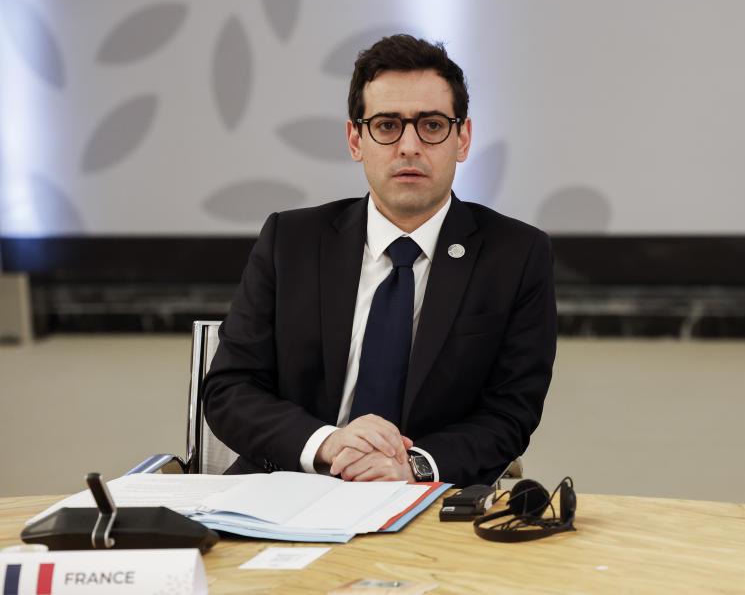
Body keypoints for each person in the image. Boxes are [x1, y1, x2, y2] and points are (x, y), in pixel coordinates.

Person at [202, 34, 557, 487]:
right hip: (288, 486)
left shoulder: (517, 255)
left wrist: (414, 466)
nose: (409, 146)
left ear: (462, 139)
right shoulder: (289, 241)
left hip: (426, 497)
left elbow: (510, 412)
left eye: (431, 125)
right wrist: (328, 444)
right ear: (356, 139)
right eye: (387, 125)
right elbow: (229, 390)